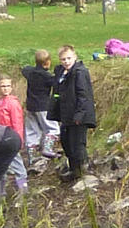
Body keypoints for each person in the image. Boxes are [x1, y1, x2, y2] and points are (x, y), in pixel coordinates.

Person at [50, 45, 96, 183]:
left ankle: (83, 172)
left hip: (79, 115)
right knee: (66, 142)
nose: (66, 61)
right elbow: (57, 92)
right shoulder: (60, 72)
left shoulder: (79, 72)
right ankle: (74, 170)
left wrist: (79, 115)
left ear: (75, 57)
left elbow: (84, 95)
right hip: (66, 114)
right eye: (63, 59)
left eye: (69, 58)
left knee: (77, 144)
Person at [21, 49, 59, 161]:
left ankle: (32, 156)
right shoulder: (47, 76)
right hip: (43, 106)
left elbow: (24, 69)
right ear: (47, 63)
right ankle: (47, 148)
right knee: (52, 128)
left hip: (30, 106)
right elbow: (57, 83)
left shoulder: (30, 72)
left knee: (32, 130)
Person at [0, 76, 29, 194]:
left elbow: (17, 122)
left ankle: (23, 188)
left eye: (8, 86)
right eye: (3, 86)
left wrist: (19, 139)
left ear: (12, 87)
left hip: (11, 137)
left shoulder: (13, 103)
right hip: (0, 137)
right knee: (0, 164)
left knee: (16, 161)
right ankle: (0, 191)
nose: (6, 89)